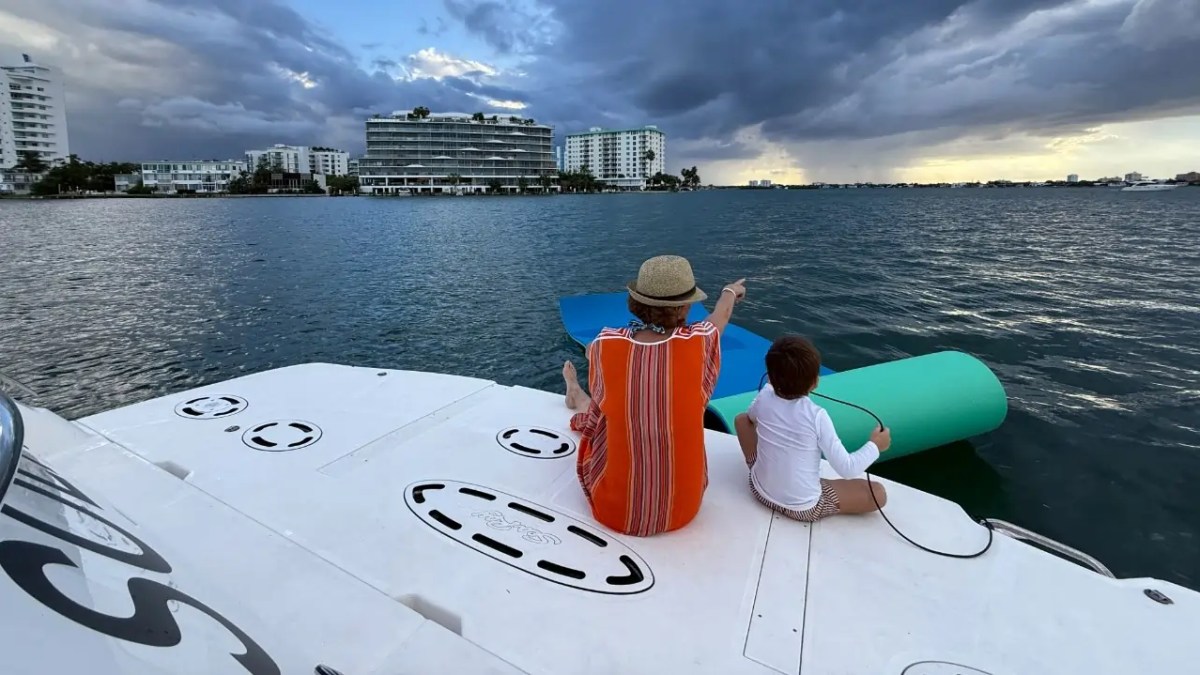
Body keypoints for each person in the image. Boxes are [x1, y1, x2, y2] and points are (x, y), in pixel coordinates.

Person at [562, 255, 746, 536]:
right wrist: (730, 291)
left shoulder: (605, 344)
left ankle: (575, 393)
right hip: (683, 508)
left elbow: (595, 355)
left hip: (617, 511)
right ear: (685, 306)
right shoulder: (700, 341)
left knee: (604, 412)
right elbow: (720, 315)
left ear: (637, 302)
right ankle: (577, 395)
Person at [734, 335, 891, 522]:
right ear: (815, 382)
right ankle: (809, 490)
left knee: (741, 420)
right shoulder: (817, 416)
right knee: (878, 493)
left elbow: (750, 418)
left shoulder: (765, 396)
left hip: (758, 489)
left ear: (769, 375)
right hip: (804, 509)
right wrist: (875, 446)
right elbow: (847, 468)